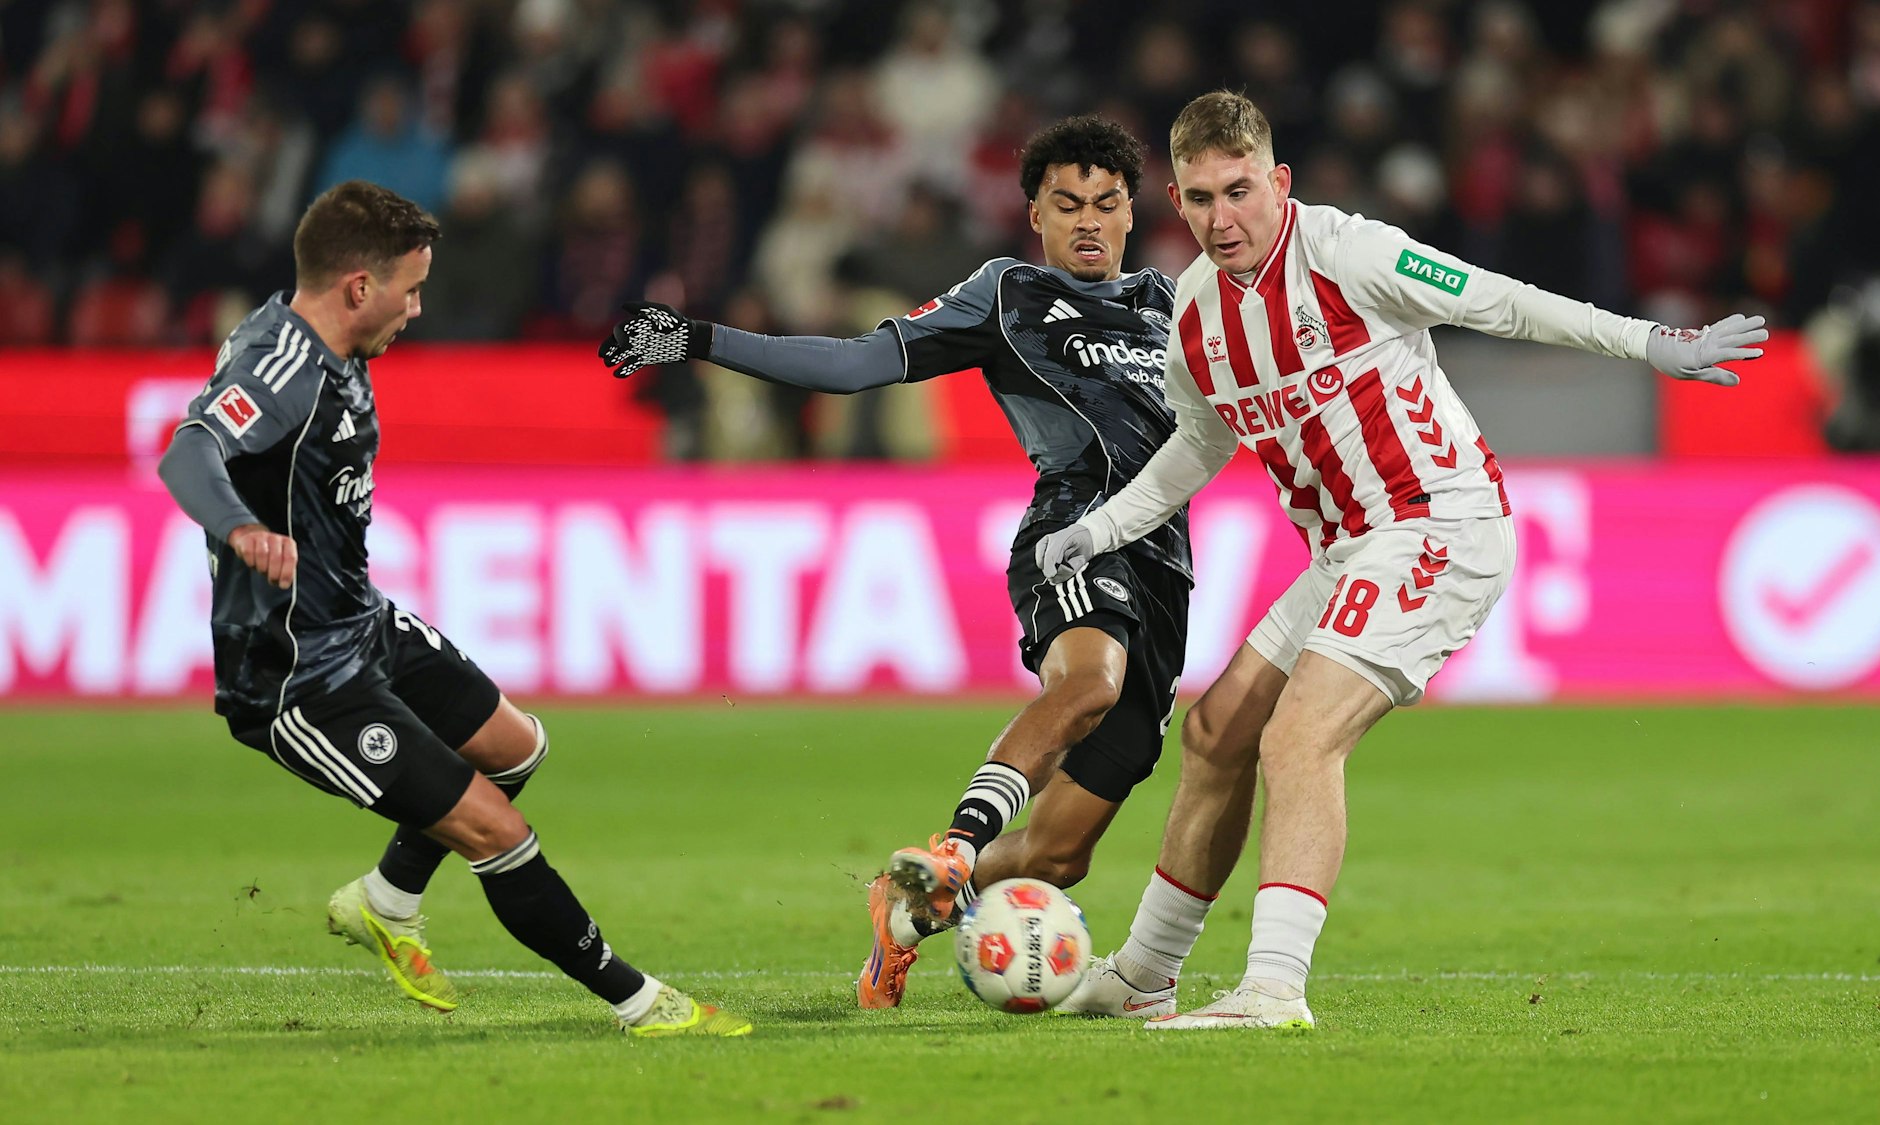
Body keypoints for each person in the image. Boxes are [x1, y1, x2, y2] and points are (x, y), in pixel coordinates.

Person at [1038, 92, 1767, 1029]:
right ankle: (1145, 971)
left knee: (1299, 738)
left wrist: (1652, 342)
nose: (1224, 219)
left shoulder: (1349, 253)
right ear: (1177, 201)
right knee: (1217, 731)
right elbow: (1199, 444)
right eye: (1202, 198)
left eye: (1241, 191)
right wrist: (1098, 530)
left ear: (1279, 181)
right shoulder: (1193, 313)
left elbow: (1501, 301)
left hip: (1438, 523)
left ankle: (1272, 988)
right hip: (1346, 548)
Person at [599, 116, 1191, 1011]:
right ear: (1034, 213)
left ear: (1131, 213)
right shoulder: (1008, 293)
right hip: (1073, 530)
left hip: (1166, 570)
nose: (1089, 223)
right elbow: (858, 363)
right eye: (1067, 204)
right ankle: (954, 844)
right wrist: (700, 339)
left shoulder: (1172, 303)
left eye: (1107, 205)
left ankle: (908, 911)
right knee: (1088, 684)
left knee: (1057, 853)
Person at [155, 181, 749, 1038]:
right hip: (295, 669)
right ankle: (638, 999)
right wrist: (241, 527)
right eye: (411, 287)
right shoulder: (279, 366)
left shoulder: (331, 348)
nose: (419, 305)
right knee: (494, 828)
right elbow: (189, 452)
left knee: (517, 745)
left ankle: (386, 901)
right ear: (360, 286)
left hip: (360, 622)